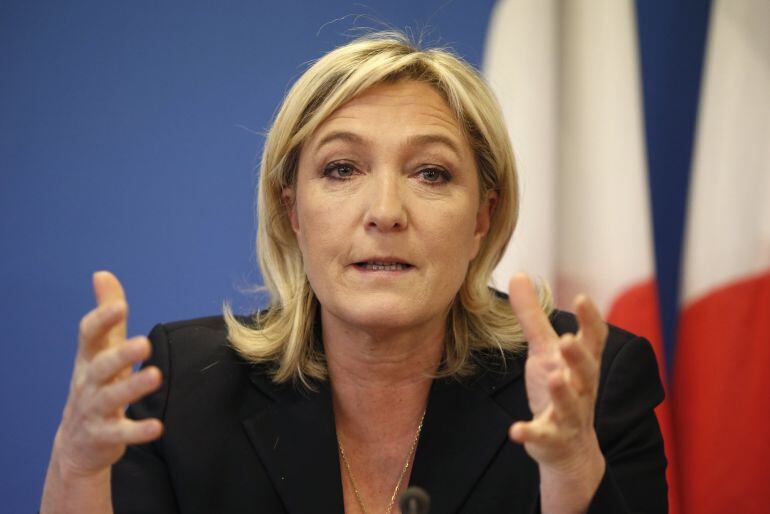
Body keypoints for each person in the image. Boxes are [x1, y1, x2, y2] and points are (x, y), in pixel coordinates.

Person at [40, 32, 667, 513]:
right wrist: (76, 466)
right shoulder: (182, 388)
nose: (386, 213)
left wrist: (571, 470)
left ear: (484, 215)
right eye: (342, 169)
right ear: (291, 209)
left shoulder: (590, 386)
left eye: (432, 173)